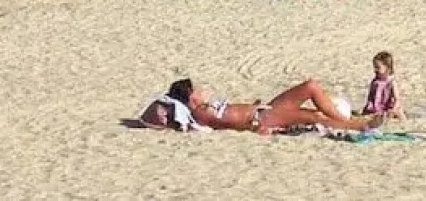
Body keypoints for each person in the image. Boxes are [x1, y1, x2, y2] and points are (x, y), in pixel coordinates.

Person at [139, 77, 373, 135]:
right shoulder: (201, 113)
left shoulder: (203, 109)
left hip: (263, 111)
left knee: (311, 86)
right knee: (311, 116)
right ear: (191, 97)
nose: (201, 91)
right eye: (196, 89)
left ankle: (349, 121)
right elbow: (229, 122)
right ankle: (357, 125)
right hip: (262, 119)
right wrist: (253, 127)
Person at [363, 51, 404, 122]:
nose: (375, 70)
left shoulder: (391, 82)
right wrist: (368, 105)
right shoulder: (375, 82)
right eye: (374, 67)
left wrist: (394, 109)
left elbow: (397, 99)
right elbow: (370, 96)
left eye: (378, 67)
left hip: (388, 108)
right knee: (366, 113)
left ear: (387, 68)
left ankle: (404, 122)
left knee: (399, 111)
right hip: (376, 107)